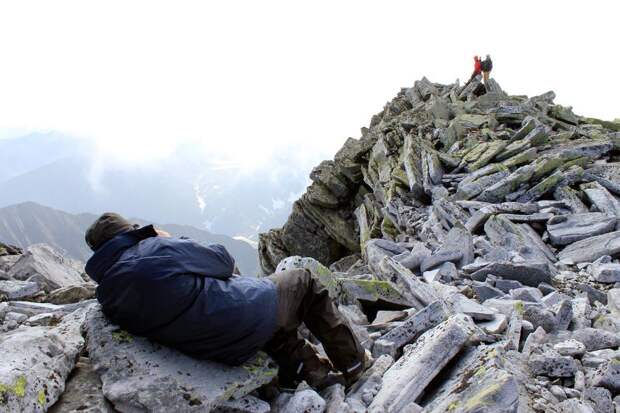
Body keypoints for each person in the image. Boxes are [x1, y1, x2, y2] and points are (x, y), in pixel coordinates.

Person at [84, 212, 365, 389]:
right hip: (242, 319)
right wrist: (171, 240)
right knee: (302, 281)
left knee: (263, 313)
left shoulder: (107, 296)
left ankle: (312, 373)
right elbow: (223, 261)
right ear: (127, 233)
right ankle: (353, 364)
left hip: (219, 350)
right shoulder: (153, 248)